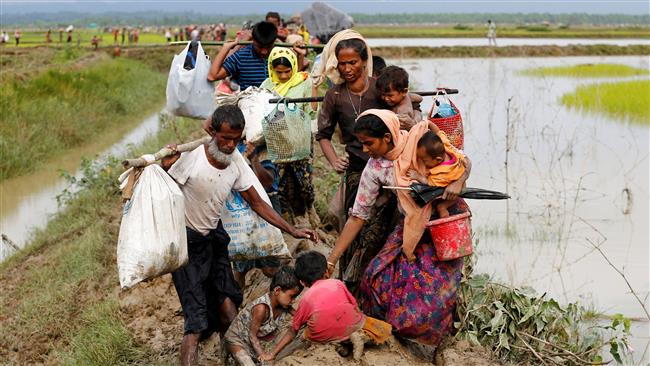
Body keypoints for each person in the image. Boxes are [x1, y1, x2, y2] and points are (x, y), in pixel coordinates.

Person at [161, 105, 318, 366]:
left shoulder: (234, 161)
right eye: (224, 139)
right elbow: (166, 194)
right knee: (196, 320)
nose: (230, 145)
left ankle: (237, 360)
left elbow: (257, 203)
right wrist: (167, 168)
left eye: (236, 139)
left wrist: (291, 230)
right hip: (188, 247)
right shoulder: (190, 158)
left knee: (229, 304)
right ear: (212, 132)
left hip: (214, 241)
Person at [326, 110, 470, 346]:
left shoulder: (419, 141)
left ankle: (443, 341)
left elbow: (462, 161)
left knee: (437, 288)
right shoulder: (374, 168)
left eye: (368, 143)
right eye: (361, 144)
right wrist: (331, 260)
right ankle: (396, 335)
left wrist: (458, 182)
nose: (364, 150)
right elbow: (358, 216)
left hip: (445, 221)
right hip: (412, 224)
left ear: (386, 136)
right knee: (375, 276)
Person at [314, 31, 401, 292]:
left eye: (353, 62)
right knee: (355, 224)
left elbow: (402, 111)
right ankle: (350, 285)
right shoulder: (335, 96)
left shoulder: (380, 88)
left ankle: (383, 283)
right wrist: (333, 160)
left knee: (386, 227)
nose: (348, 68)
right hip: (356, 170)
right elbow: (323, 134)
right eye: (342, 63)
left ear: (365, 61)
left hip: (388, 169)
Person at [262, 251, 392, 362]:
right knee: (364, 320)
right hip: (352, 326)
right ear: (326, 271)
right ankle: (354, 336)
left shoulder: (306, 299)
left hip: (324, 337)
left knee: (307, 332)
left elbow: (293, 330)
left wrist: (272, 354)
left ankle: (337, 344)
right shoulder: (338, 283)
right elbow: (355, 306)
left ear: (302, 282)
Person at [259, 46, 316, 223]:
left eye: (287, 71)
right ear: (272, 69)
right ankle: (287, 217)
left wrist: (314, 89)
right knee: (281, 181)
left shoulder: (304, 82)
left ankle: (308, 211)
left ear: (293, 66)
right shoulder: (266, 86)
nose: (283, 76)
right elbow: (262, 112)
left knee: (304, 181)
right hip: (278, 142)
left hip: (300, 140)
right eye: (279, 72)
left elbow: (312, 112)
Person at [224, 266, 301, 366]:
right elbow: (252, 336)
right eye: (292, 296)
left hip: (252, 344)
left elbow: (300, 317)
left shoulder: (285, 305)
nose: (293, 300)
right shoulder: (261, 308)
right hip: (237, 340)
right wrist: (263, 355)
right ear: (277, 290)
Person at [408, 125, 467, 218]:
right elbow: (438, 132)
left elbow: (430, 183)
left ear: (438, 159)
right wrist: (429, 123)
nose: (423, 163)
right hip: (460, 172)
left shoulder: (442, 173)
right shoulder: (446, 147)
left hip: (455, 190)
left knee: (451, 198)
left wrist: (418, 176)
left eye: (424, 161)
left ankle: (442, 207)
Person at [207, 21, 277, 90]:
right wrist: (225, 48)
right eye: (260, 47)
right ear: (253, 40)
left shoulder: (280, 54)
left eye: (268, 47)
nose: (264, 52)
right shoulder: (241, 57)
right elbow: (212, 76)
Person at [376, 65, 423, 130]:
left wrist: (415, 119)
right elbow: (419, 98)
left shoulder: (402, 112)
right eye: (383, 95)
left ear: (404, 91)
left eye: (390, 95)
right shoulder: (407, 96)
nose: (386, 98)